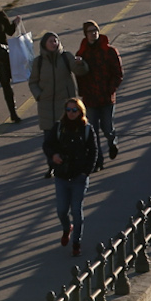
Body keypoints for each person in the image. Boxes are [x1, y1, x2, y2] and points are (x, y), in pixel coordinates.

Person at [44, 99, 101, 255]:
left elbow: (94, 152)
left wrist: (86, 172)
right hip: (62, 176)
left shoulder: (87, 129)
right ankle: (66, 228)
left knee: (76, 210)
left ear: (80, 112)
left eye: (74, 110)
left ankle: (76, 243)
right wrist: (53, 156)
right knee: (62, 210)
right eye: (68, 110)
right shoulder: (59, 127)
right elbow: (47, 145)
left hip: (79, 177)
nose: (71, 113)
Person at [75, 19, 123, 159]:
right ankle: (97, 159)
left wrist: (111, 88)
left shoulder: (109, 51)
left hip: (107, 97)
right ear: (85, 34)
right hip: (90, 99)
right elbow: (79, 76)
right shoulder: (82, 53)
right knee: (92, 130)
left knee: (107, 128)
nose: (93, 33)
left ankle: (112, 142)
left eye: (95, 30)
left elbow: (118, 73)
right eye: (90, 31)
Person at [27, 31, 85, 136]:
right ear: (44, 44)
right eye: (51, 41)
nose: (54, 43)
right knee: (50, 140)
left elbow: (80, 71)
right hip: (46, 106)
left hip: (65, 105)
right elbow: (33, 82)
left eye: (55, 41)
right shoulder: (38, 62)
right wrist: (39, 95)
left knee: (66, 139)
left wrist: (81, 64)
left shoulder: (66, 57)